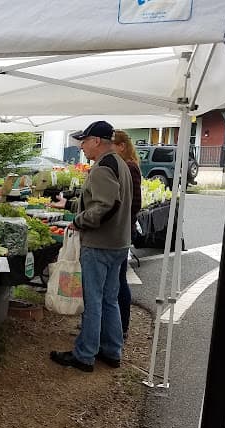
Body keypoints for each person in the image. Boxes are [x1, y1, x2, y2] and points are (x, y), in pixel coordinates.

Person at [50, 120, 132, 372]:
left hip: (100, 244)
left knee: (94, 300)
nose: (82, 146)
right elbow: (106, 201)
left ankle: (85, 355)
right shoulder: (121, 164)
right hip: (118, 243)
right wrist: (75, 207)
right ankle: (111, 351)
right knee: (109, 300)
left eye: (84, 141)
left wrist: (79, 220)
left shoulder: (102, 168)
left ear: (97, 141)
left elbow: (105, 205)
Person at [112, 130, 142, 339]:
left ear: (121, 146)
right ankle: (118, 325)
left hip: (121, 231)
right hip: (123, 229)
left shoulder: (129, 167)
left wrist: (121, 219)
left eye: (112, 144)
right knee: (118, 279)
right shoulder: (127, 165)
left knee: (119, 280)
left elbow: (134, 203)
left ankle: (122, 325)